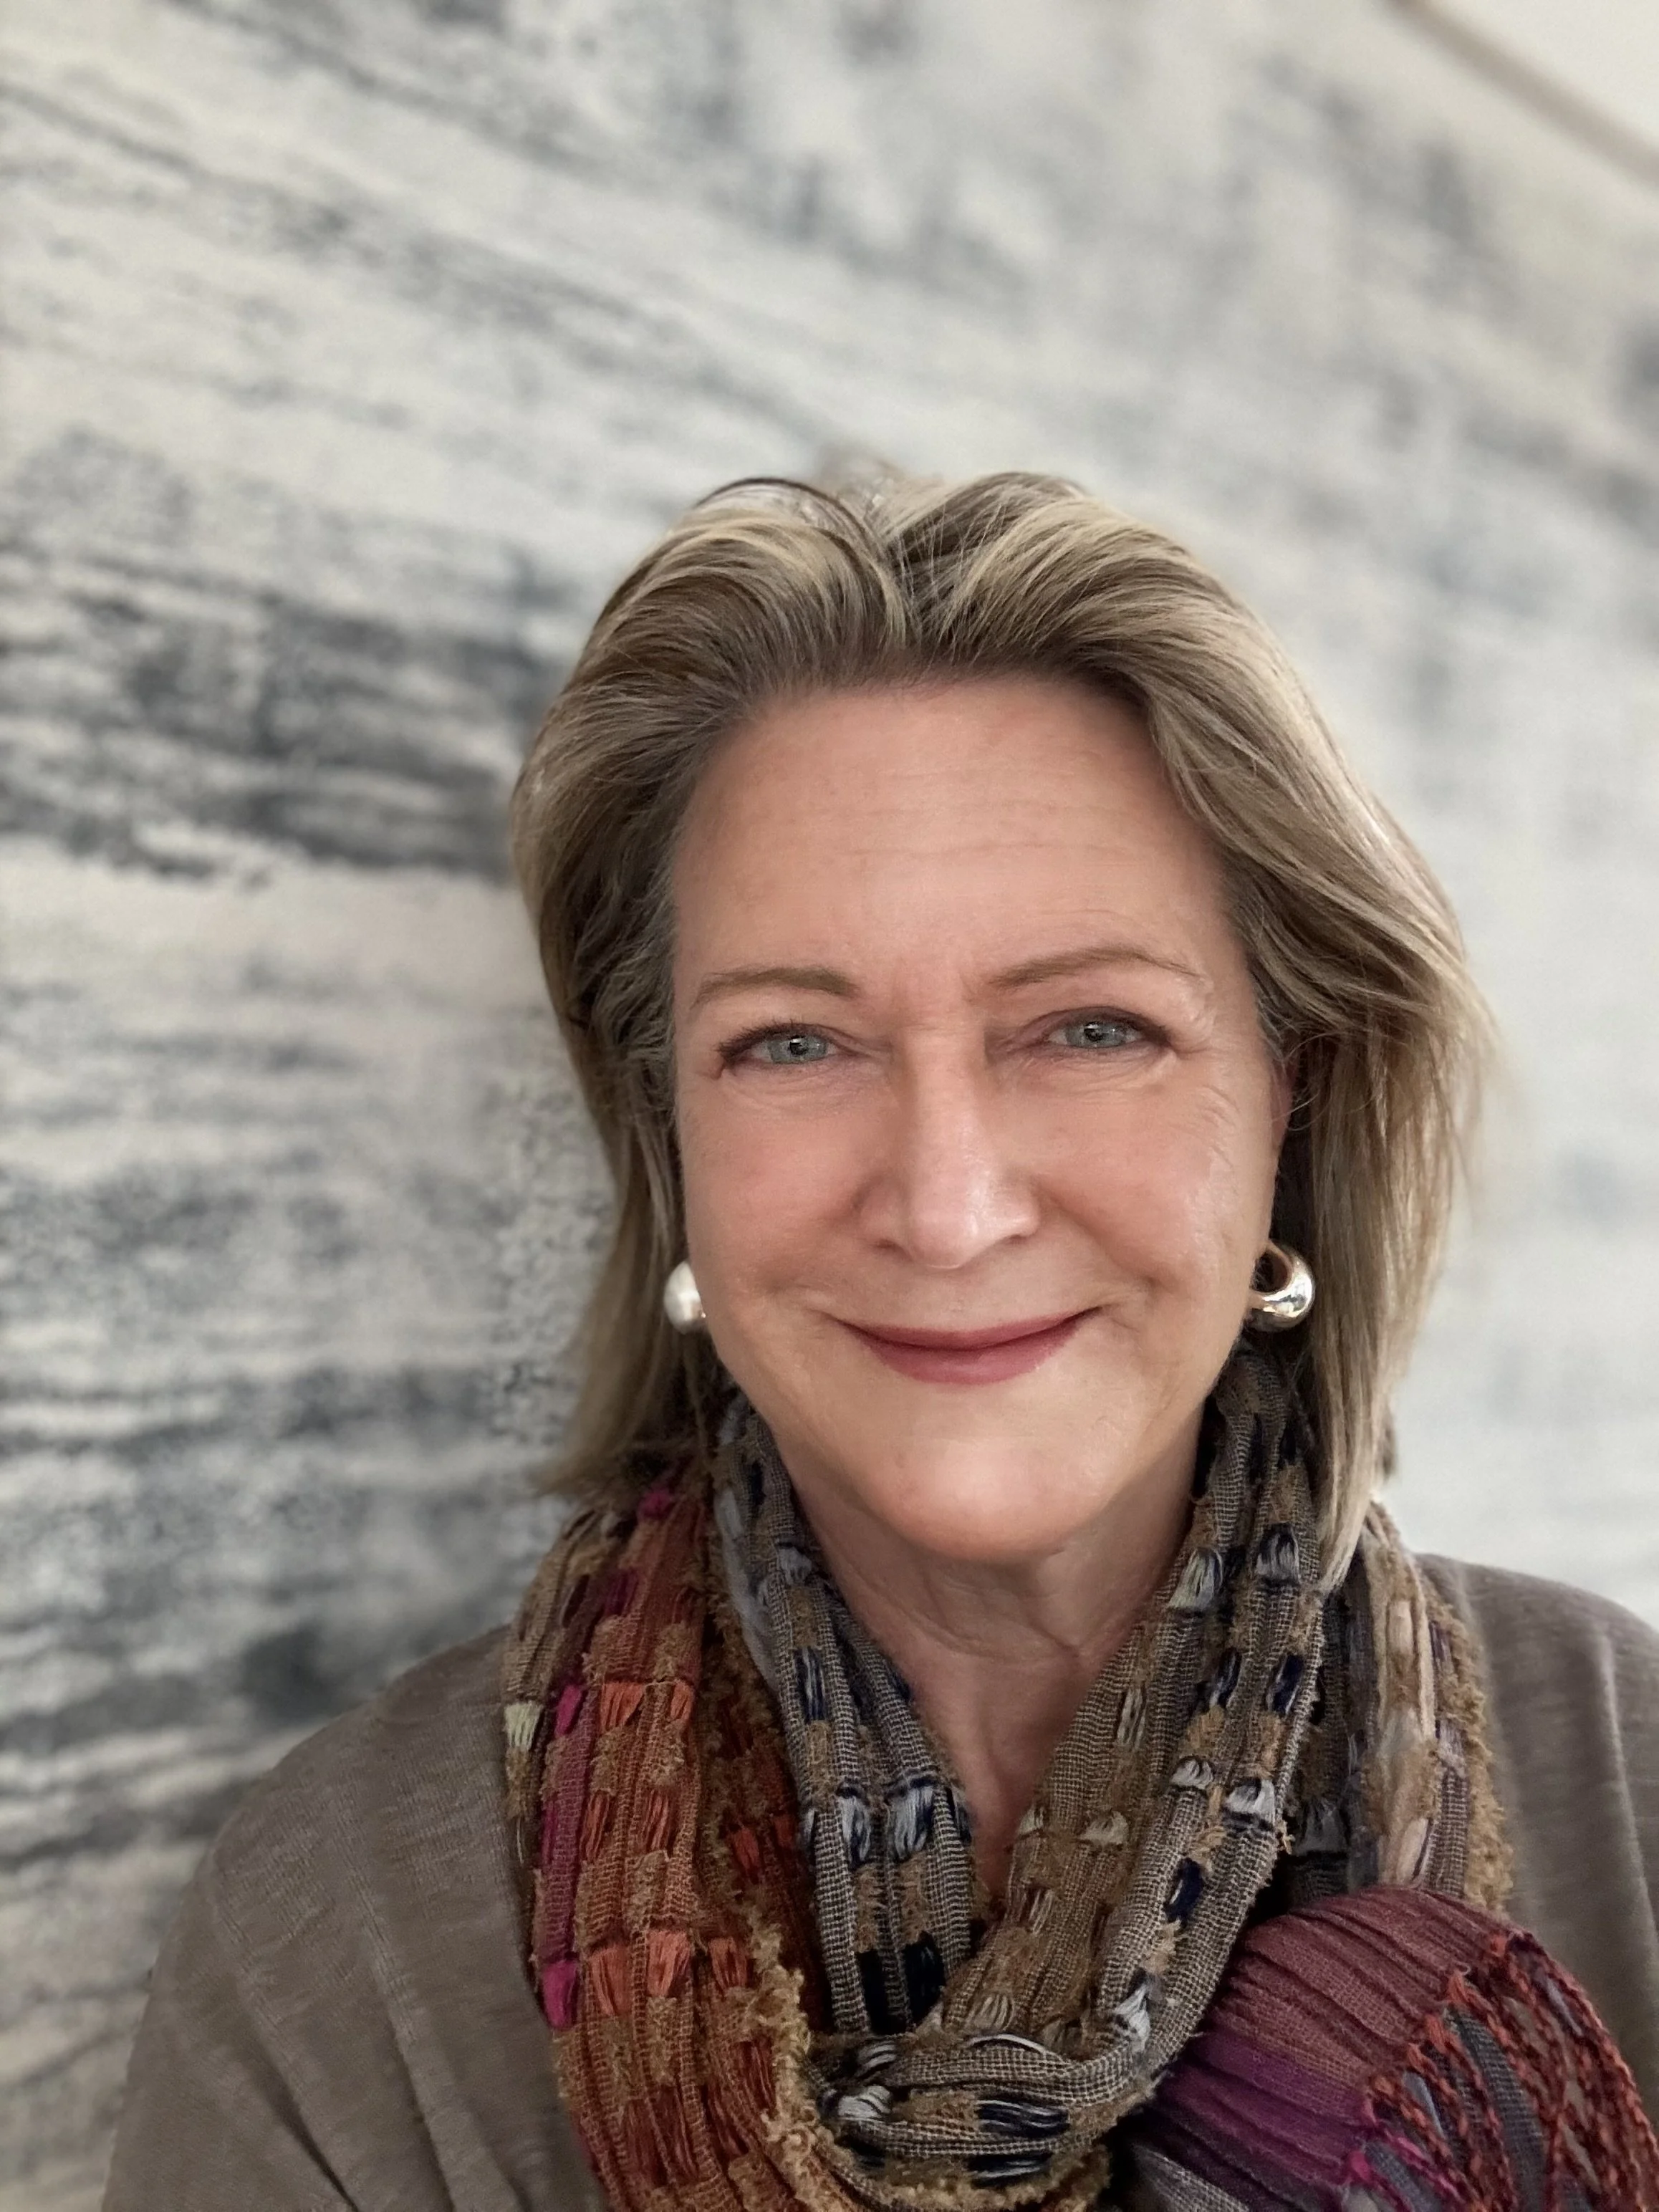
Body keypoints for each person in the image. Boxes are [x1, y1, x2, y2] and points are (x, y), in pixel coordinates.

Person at [105, 475, 1659, 2210]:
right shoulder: (347, 1937)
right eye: (792, 1043)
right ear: (663, 1126)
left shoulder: (1627, 1772)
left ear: (1296, 1088)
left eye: (1089, 1025)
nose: (947, 1201)